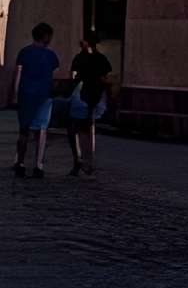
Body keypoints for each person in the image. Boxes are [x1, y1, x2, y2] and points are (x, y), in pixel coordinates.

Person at [10, 21, 59, 178]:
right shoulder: (51, 56)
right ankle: (39, 165)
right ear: (46, 37)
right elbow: (54, 77)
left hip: (25, 94)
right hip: (44, 96)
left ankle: (21, 162)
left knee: (24, 130)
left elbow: (18, 75)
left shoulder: (24, 52)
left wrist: (15, 94)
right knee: (42, 131)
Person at [66, 28, 112, 175]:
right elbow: (106, 79)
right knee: (90, 127)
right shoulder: (102, 59)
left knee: (76, 128)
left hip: (81, 95)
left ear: (85, 43)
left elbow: (73, 77)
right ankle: (89, 161)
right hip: (96, 95)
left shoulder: (79, 58)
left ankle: (79, 160)